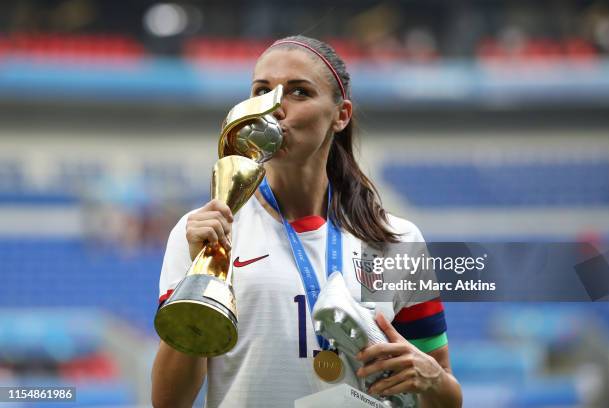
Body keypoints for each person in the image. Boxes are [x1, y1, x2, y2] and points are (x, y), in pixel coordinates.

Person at [151, 35, 462, 408]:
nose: (275, 107)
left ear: (340, 115)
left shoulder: (397, 239)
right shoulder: (206, 232)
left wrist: (427, 376)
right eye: (261, 90)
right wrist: (199, 280)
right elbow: (168, 402)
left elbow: (444, 395)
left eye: (298, 92)